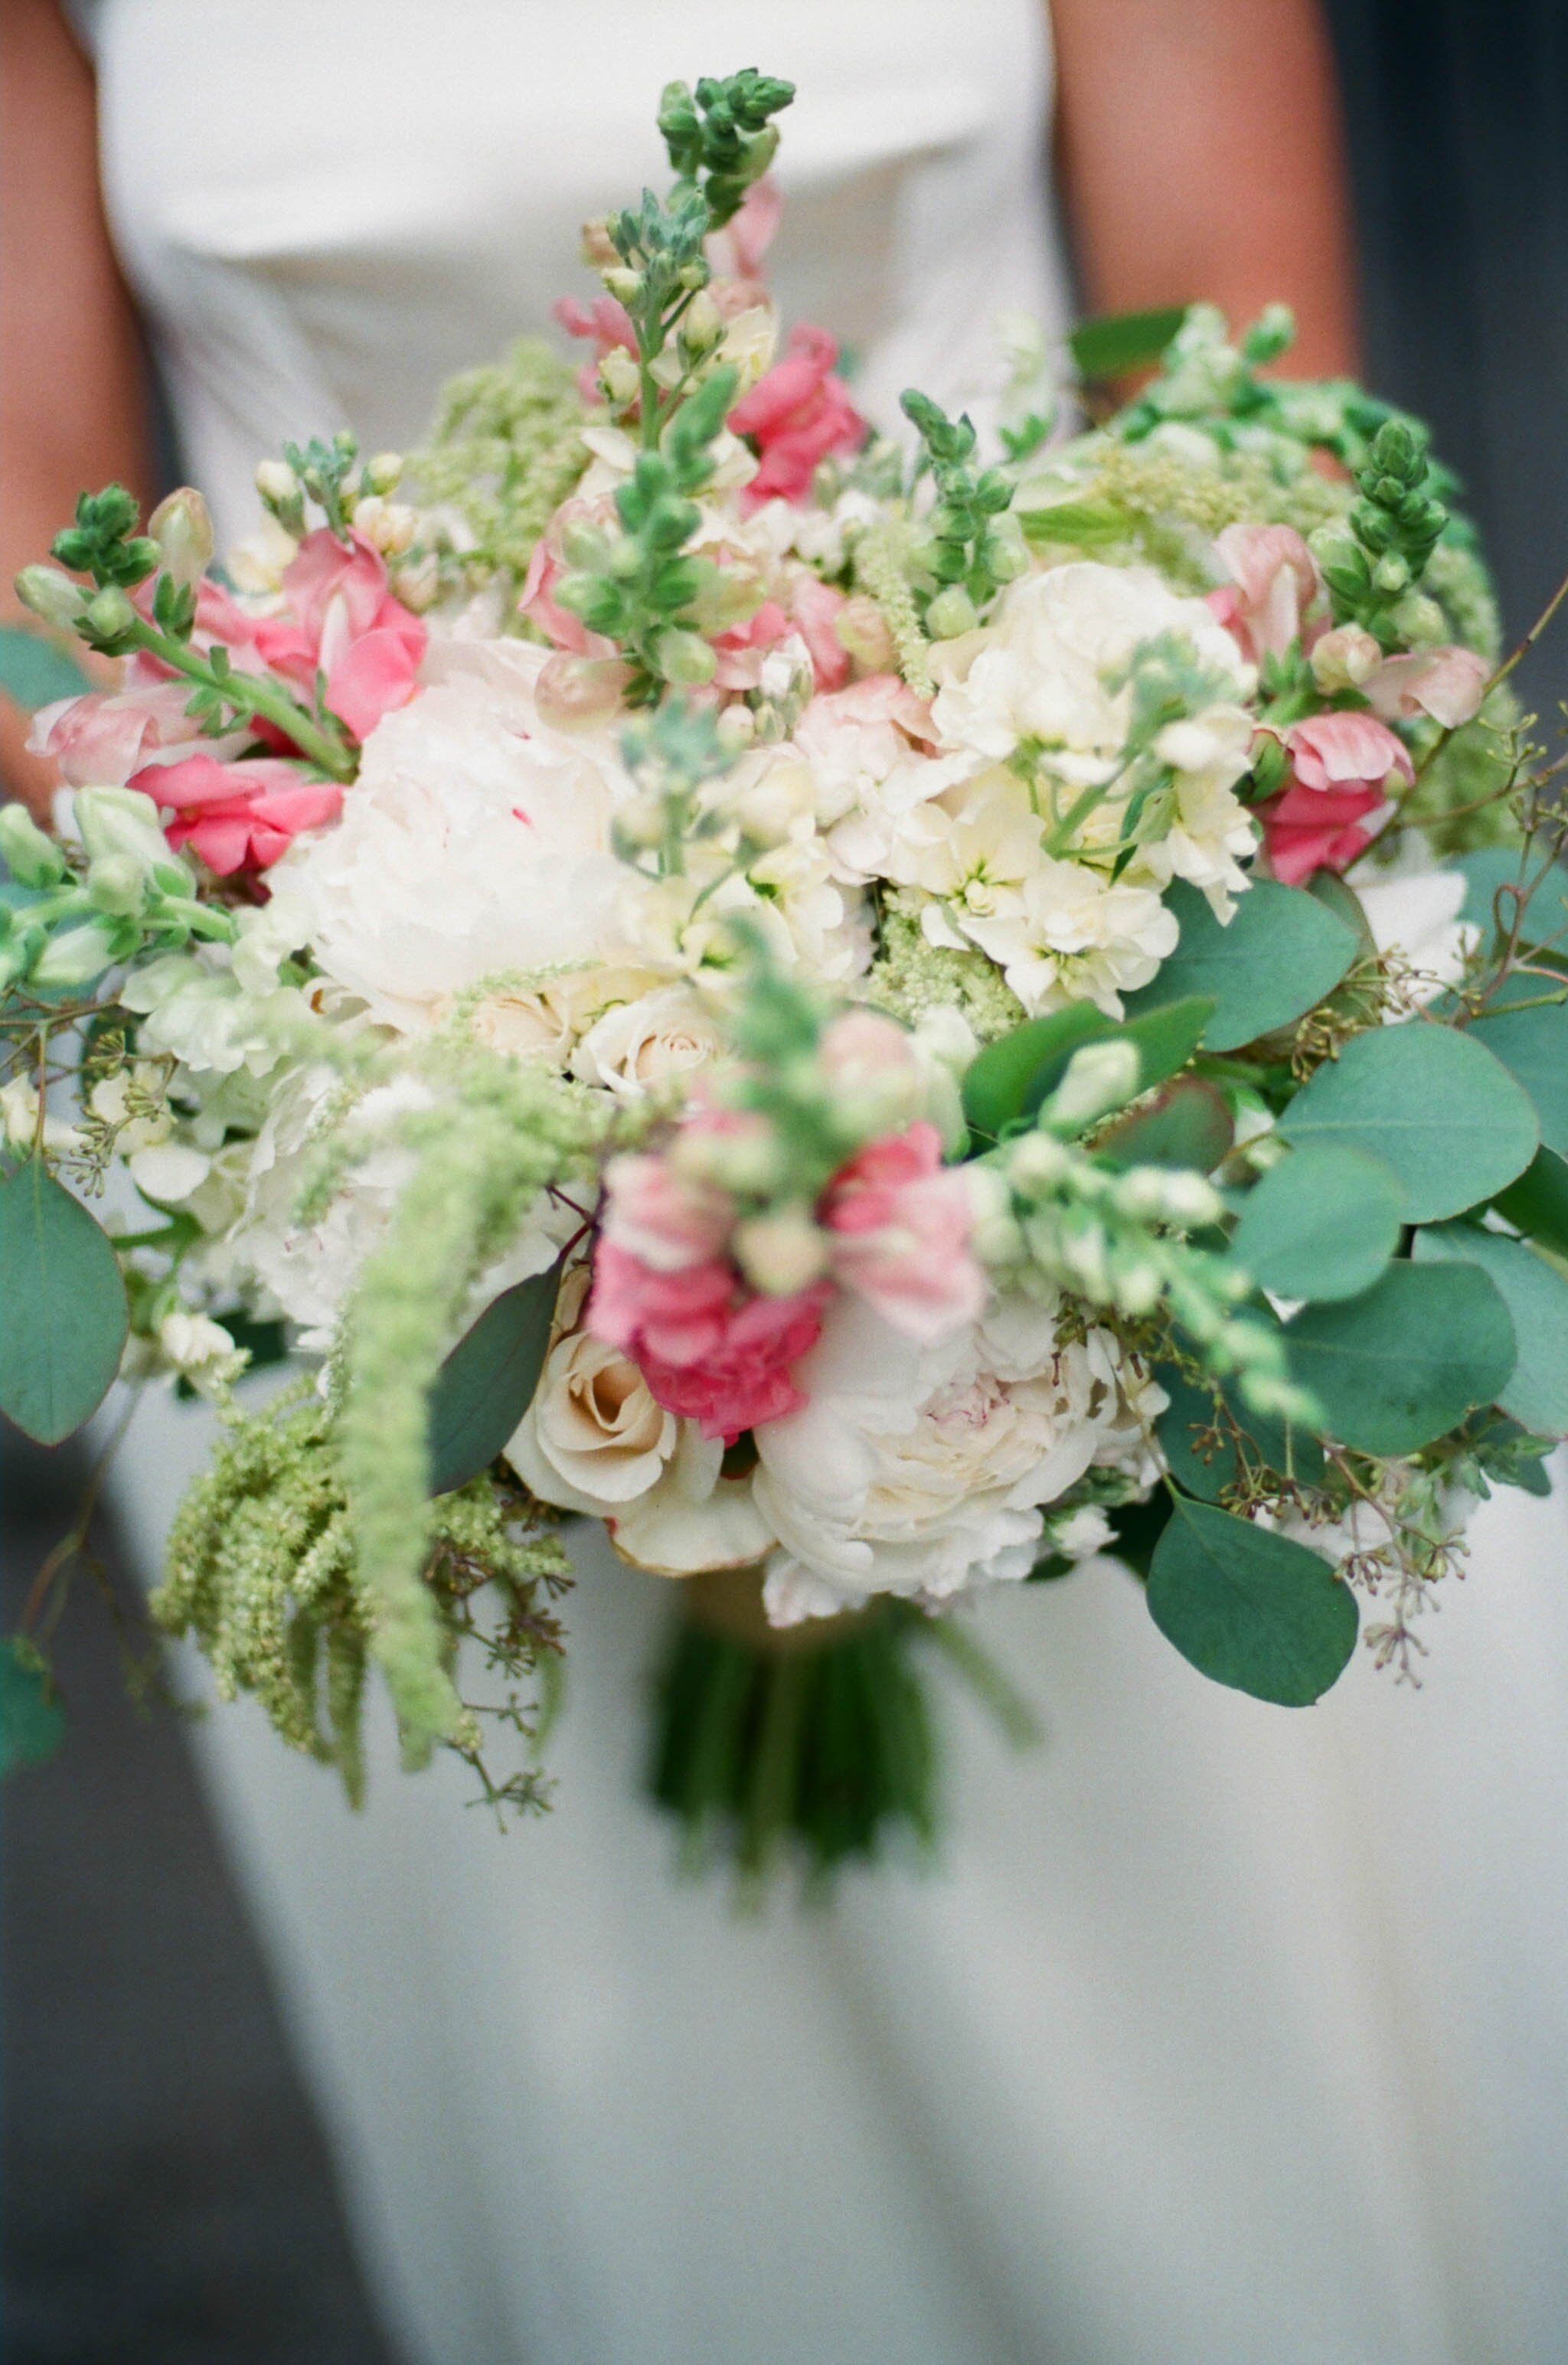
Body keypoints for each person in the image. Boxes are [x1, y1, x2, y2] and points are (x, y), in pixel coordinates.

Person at [6, 6, 1567, 2363]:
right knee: (683, 2152)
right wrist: (420, 1099)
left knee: (1210, 2097)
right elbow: (40, 569)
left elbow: (1265, 402)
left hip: (1088, 993)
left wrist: (989, 1010)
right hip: (356, 1147)